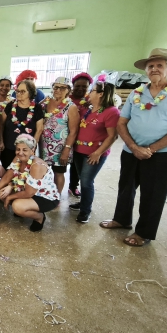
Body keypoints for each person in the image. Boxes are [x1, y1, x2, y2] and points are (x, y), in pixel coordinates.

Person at [101, 48, 167, 246]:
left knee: (154, 193)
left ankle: (144, 232)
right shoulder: (137, 93)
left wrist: (151, 148)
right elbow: (121, 122)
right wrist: (133, 146)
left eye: (160, 65)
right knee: (126, 188)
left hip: (164, 153)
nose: (154, 69)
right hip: (131, 150)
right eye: (151, 66)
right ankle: (122, 219)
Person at [69, 81, 120, 223]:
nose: (89, 93)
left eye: (92, 90)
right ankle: (83, 203)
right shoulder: (88, 109)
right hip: (79, 150)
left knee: (86, 181)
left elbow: (113, 136)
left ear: (100, 94)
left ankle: (85, 211)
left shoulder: (111, 112)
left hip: (94, 153)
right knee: (81, 177)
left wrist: (98, 152)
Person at [0, 134, 60, 231]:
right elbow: (7, 177)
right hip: (27, 191)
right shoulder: (18, 158)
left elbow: (29, 193)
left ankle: (39, 217)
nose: (20, 153)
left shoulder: (36, 165)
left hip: (44, 197)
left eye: (25, 150)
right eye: (18, 149)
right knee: (2, 193)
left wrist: (10, 197)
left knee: (17, 206)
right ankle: (24, 209)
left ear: (32, 150)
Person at [39, 77, 80, 193]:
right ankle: (46, 194)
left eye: (62, 88)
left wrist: (66, 150)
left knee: (59, 173)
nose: (58, 90)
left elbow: (73, 131)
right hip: (43, 147)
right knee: (43, 172)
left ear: (68, 90)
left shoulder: (71, 107)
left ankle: (57, 197)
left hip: (60, 147)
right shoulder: (46, 102)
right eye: (56, 87)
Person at [0, 80, 44, 168]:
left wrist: (33, 147)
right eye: (17, 91)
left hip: (26, 150)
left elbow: (39, 129)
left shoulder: (36, 108)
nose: (18, 93)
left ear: (30, 93)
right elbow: (1, 124)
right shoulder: (10, 106)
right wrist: (1, 141)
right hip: (8, 148)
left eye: (22, 91)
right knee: (7, 171)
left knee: (23, 174)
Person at [68, 72, 93, 197]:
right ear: (73, 86)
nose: (81, 89)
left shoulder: (91, 100)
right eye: (78, 86)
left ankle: (73, 186)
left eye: (84, 87)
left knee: (77, 166)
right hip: (66, 136)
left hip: (82, 139)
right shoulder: (67, 99)